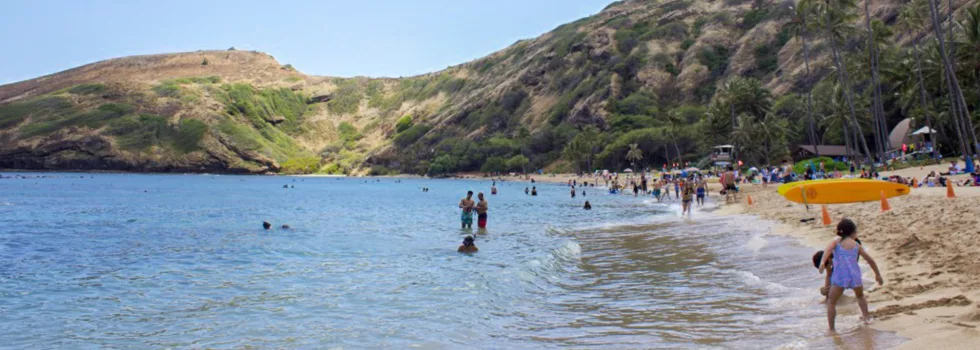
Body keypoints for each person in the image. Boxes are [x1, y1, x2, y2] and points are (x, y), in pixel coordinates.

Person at [818, 219, 884, 331]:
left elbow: (827, 251)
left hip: (840, 277)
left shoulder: (836, 242)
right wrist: (878, 275)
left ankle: (832, 329)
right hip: (854, 276)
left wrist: (822, 263)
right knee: (860, 296)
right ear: (853, 232)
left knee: (831, 302)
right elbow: (870, 260)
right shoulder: (856, 245)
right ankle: (866, 318)